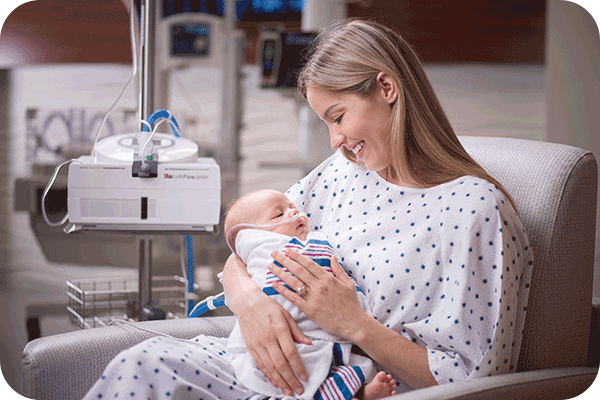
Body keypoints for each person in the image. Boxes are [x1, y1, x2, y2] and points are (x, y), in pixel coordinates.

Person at [82, 18, 533, 400]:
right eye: (327, 124)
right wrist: (249, 302)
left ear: (387, 88)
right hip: (270, 367)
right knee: (142, 362)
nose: (335, 141)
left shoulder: (473, 210)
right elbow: (251, 238)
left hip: (341, 385)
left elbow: (475, 380)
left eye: (338, 116)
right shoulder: (342, 173)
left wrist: (354, 324)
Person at [224, 188, 397, 400]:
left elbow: (341, 280)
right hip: (282, 338)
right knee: (293, 372)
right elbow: (236, 256)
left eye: (294, 207)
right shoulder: (263, 248)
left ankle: (358, 393)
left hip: (333, 333)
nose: (294, 212)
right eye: (279, 215)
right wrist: (248, 298)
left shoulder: (319, 241)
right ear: (252, 235)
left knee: (336, 367)